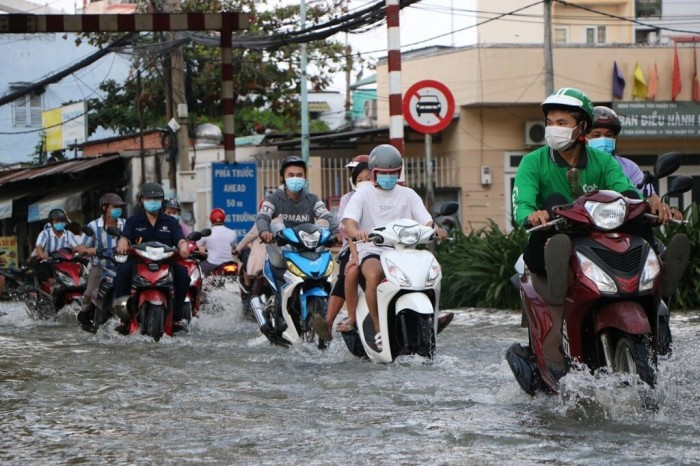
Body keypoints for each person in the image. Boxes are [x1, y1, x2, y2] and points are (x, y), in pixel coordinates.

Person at [510, 87, 686, 376]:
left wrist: (651, 206)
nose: (554, 129)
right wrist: (532, 215)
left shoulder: (603, 161)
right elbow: (523, 204)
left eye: (562, 123)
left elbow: (626, 192)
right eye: (550, 122)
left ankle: (659, 274)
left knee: (638, 218)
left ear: (582, 127)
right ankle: (560, 284)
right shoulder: (534, 162)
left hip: (599, 238)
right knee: (554, 206)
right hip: (552, 237)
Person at [343, 144, 448, 351]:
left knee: (430, 272)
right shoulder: (362, 194)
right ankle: (378, 327)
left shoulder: (408, 194)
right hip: (372, 250)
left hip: (404, 252)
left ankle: (431, 318)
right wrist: (356, 232)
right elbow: (349, 222)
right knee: (373, 274)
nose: (388, 177)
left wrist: (437, 230)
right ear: (373, 173)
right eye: (383, 173)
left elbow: (426, 221)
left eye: (392, 173)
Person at [255, 155, 339, 342]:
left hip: (307, 250)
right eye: (291, 174)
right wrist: (264, 231)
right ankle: (278, 301)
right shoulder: (274, 198)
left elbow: (326, 216)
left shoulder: (312, 199)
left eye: (299, 174)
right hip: (283, 250)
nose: (295, 178)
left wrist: (336, 232)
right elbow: (263, 217)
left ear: (305, 177)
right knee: (277, 227)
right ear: (282, 178)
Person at [113, 182, 191, 328]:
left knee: (183, 275)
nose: (152, 202)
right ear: (142, 200)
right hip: (138, 261)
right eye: (149, 199)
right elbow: (124, 238)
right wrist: (122, 246)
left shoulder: (171, 222)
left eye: (156, 199)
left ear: (162, 201)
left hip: (165, 262)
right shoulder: (133, 221)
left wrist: (183, 248)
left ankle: (177, 316)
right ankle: (123, 317)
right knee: (121, 275)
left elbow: (180, 239)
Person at [587, 105, 683, 221]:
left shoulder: (629, 167)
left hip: (625, 228)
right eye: (596, 135)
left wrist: (661, 208)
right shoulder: (576, 165)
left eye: (609, 135)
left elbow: (651, 199)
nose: (603, 139)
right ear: (584, 137)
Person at [326, 155, 372, 333]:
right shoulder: (348, 198)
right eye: (357, 177)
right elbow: (347, 228)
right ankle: (329, 322)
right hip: (354, 247)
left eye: (367, 177)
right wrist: (354, 254)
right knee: (348, 273)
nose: (362, 180)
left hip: (385, 246)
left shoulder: (386, 194)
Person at [74, 193, 127, 331]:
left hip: (122, 266)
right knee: (89, 293)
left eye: (120, 207)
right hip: (100, 266)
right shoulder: (93, 226)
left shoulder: (125, 224)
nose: (118, 210)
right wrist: (88, 250)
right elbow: (79, 246)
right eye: (115, 207)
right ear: (105, 208)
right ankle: (86, 312)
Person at [30, 208, 79, 283]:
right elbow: (39, 247)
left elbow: (77, 247)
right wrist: (42, 255)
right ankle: (51, 285)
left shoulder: (69, 234)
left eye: (61, 221)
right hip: (49, 262)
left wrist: (87, 250)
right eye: (57, 221)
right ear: (52, 222)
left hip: (65, 263)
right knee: (40, 263)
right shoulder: (45, 233)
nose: (59, 223)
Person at [198, 208, 238, 275]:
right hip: (229, 263)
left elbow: (197, 243)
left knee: (196, 269)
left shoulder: (207, 233)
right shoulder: (232, 233)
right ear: (224, 218)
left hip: (212, 263)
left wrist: (201, 247)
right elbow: (235, 247)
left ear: (211, 219)